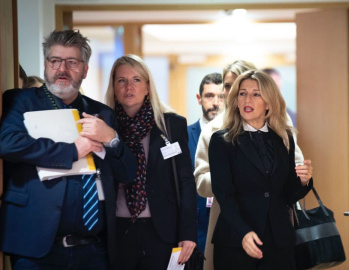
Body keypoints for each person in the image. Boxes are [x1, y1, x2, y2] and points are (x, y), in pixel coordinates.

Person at [0, 29, 137, 269]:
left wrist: (112, 138)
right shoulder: (21, 101)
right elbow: (8, 143)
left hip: (94, 249)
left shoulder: (102, 113)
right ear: (46, 65)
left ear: (85, 69)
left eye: (72, 62)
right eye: (55, 61)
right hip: (35, 248)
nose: (62, 69)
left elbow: (128, 173)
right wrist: (72, 151)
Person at [194, 60, 306, 270]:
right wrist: (243, 233)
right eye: (242, 93)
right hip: (236, 240)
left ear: (269, 102)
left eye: (256, 94)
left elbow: (288, 195)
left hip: (278, 240)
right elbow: (223, 194)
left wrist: (304, 180)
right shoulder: (221, 139)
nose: (247, 99)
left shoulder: (284, 137)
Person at [104, 54, 197, 269]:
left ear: (147, 87)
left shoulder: (171, 125)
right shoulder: (105, 127)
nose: (129, 87)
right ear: (114, 88)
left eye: (137, 80)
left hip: (162, 231)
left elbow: (186, 181)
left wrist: (188, 232)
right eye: (122, 80)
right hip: (117, 230)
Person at [187, 72, 224, 258]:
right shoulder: (184, 136)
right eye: (210, 96)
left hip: (227, 222)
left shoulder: (235, 136)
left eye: (221, 96)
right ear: (199, 98)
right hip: (195, 226)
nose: (215, 102)